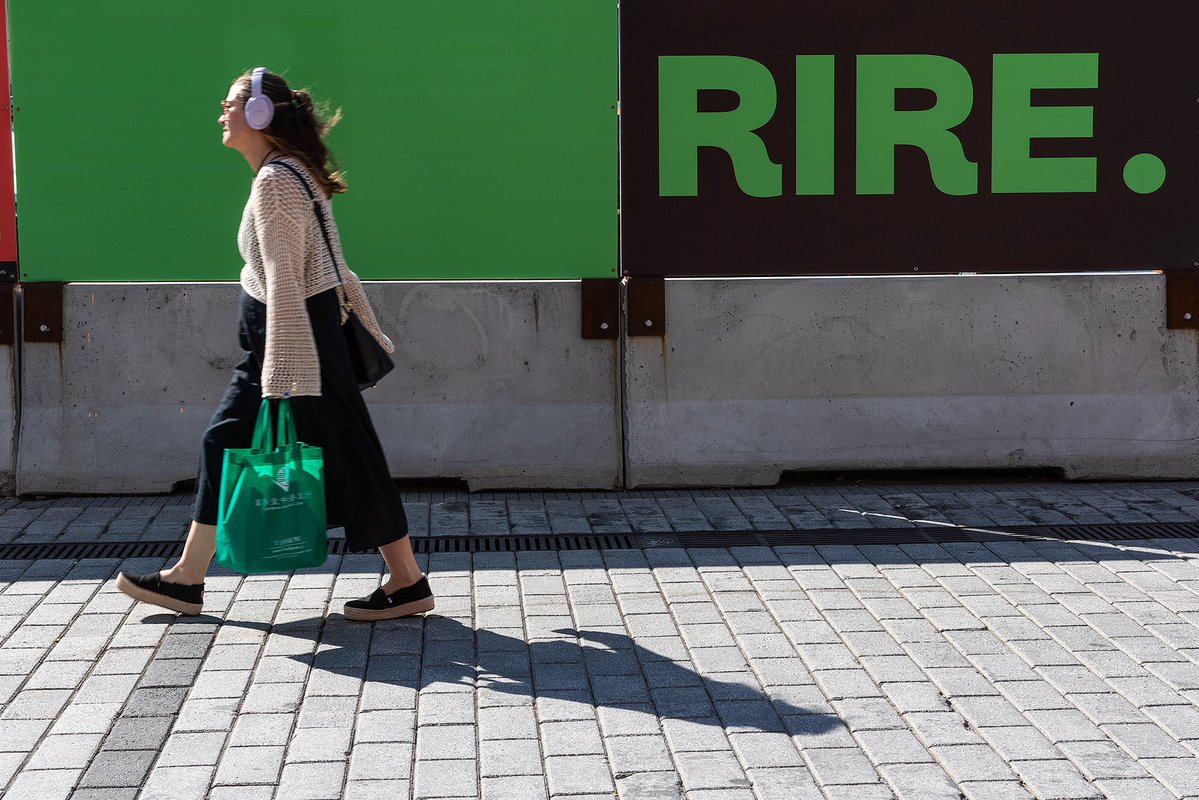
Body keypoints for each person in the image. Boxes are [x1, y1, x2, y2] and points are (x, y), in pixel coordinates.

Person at [116, 68, 433, 622]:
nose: (221, 112)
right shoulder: (290, 172)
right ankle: (190, 576)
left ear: (260, 114)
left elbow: (286, 278)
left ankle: (405, 581)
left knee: (306, 447)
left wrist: (282, 370)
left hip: (289, 341)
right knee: (333, 448)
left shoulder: (276, 181)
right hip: (295, 338)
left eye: (231, 103)